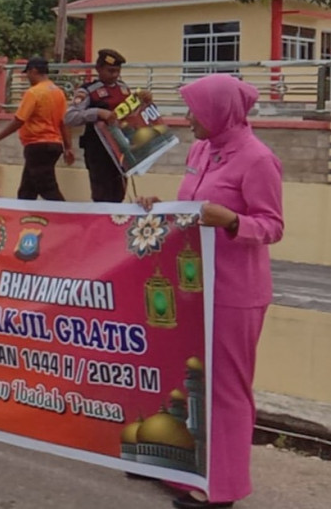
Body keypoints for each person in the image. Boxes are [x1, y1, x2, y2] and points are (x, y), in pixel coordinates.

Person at [139, 74, 283, 509]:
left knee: (227, 390)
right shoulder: (203, 150)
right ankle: (186, 472)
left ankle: (223, 489)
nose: (186, 120)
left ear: (219, 112)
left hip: (235, 292)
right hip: (193, 286)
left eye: (194, 111)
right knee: (190, 379)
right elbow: (192, 207)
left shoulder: (258, 159)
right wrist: (158, 206)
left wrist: (233, 221)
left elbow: (272, 225)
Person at [64, 49, 149, 203]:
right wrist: (97, 113)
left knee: (119, 193)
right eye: (110, 71)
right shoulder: (88, 91)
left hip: (121, 149)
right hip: (98, 151)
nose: (115, 75)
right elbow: (70, 117)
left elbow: (131, 115)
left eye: (117, 71)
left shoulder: (123, 89)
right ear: (98, 69)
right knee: (102, 195)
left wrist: (143, 102)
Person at [0, 56, 74, 201]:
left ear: (33, 71)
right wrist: (68, 147)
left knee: (48, 188)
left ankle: (65, 219)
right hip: (54, 145)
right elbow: (64, 122)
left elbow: (19, 120)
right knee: (27, 190)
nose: (27, 76)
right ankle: (23, 218)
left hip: (38, 146)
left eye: (28, 73)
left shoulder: (33, 93)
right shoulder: (58, 92)